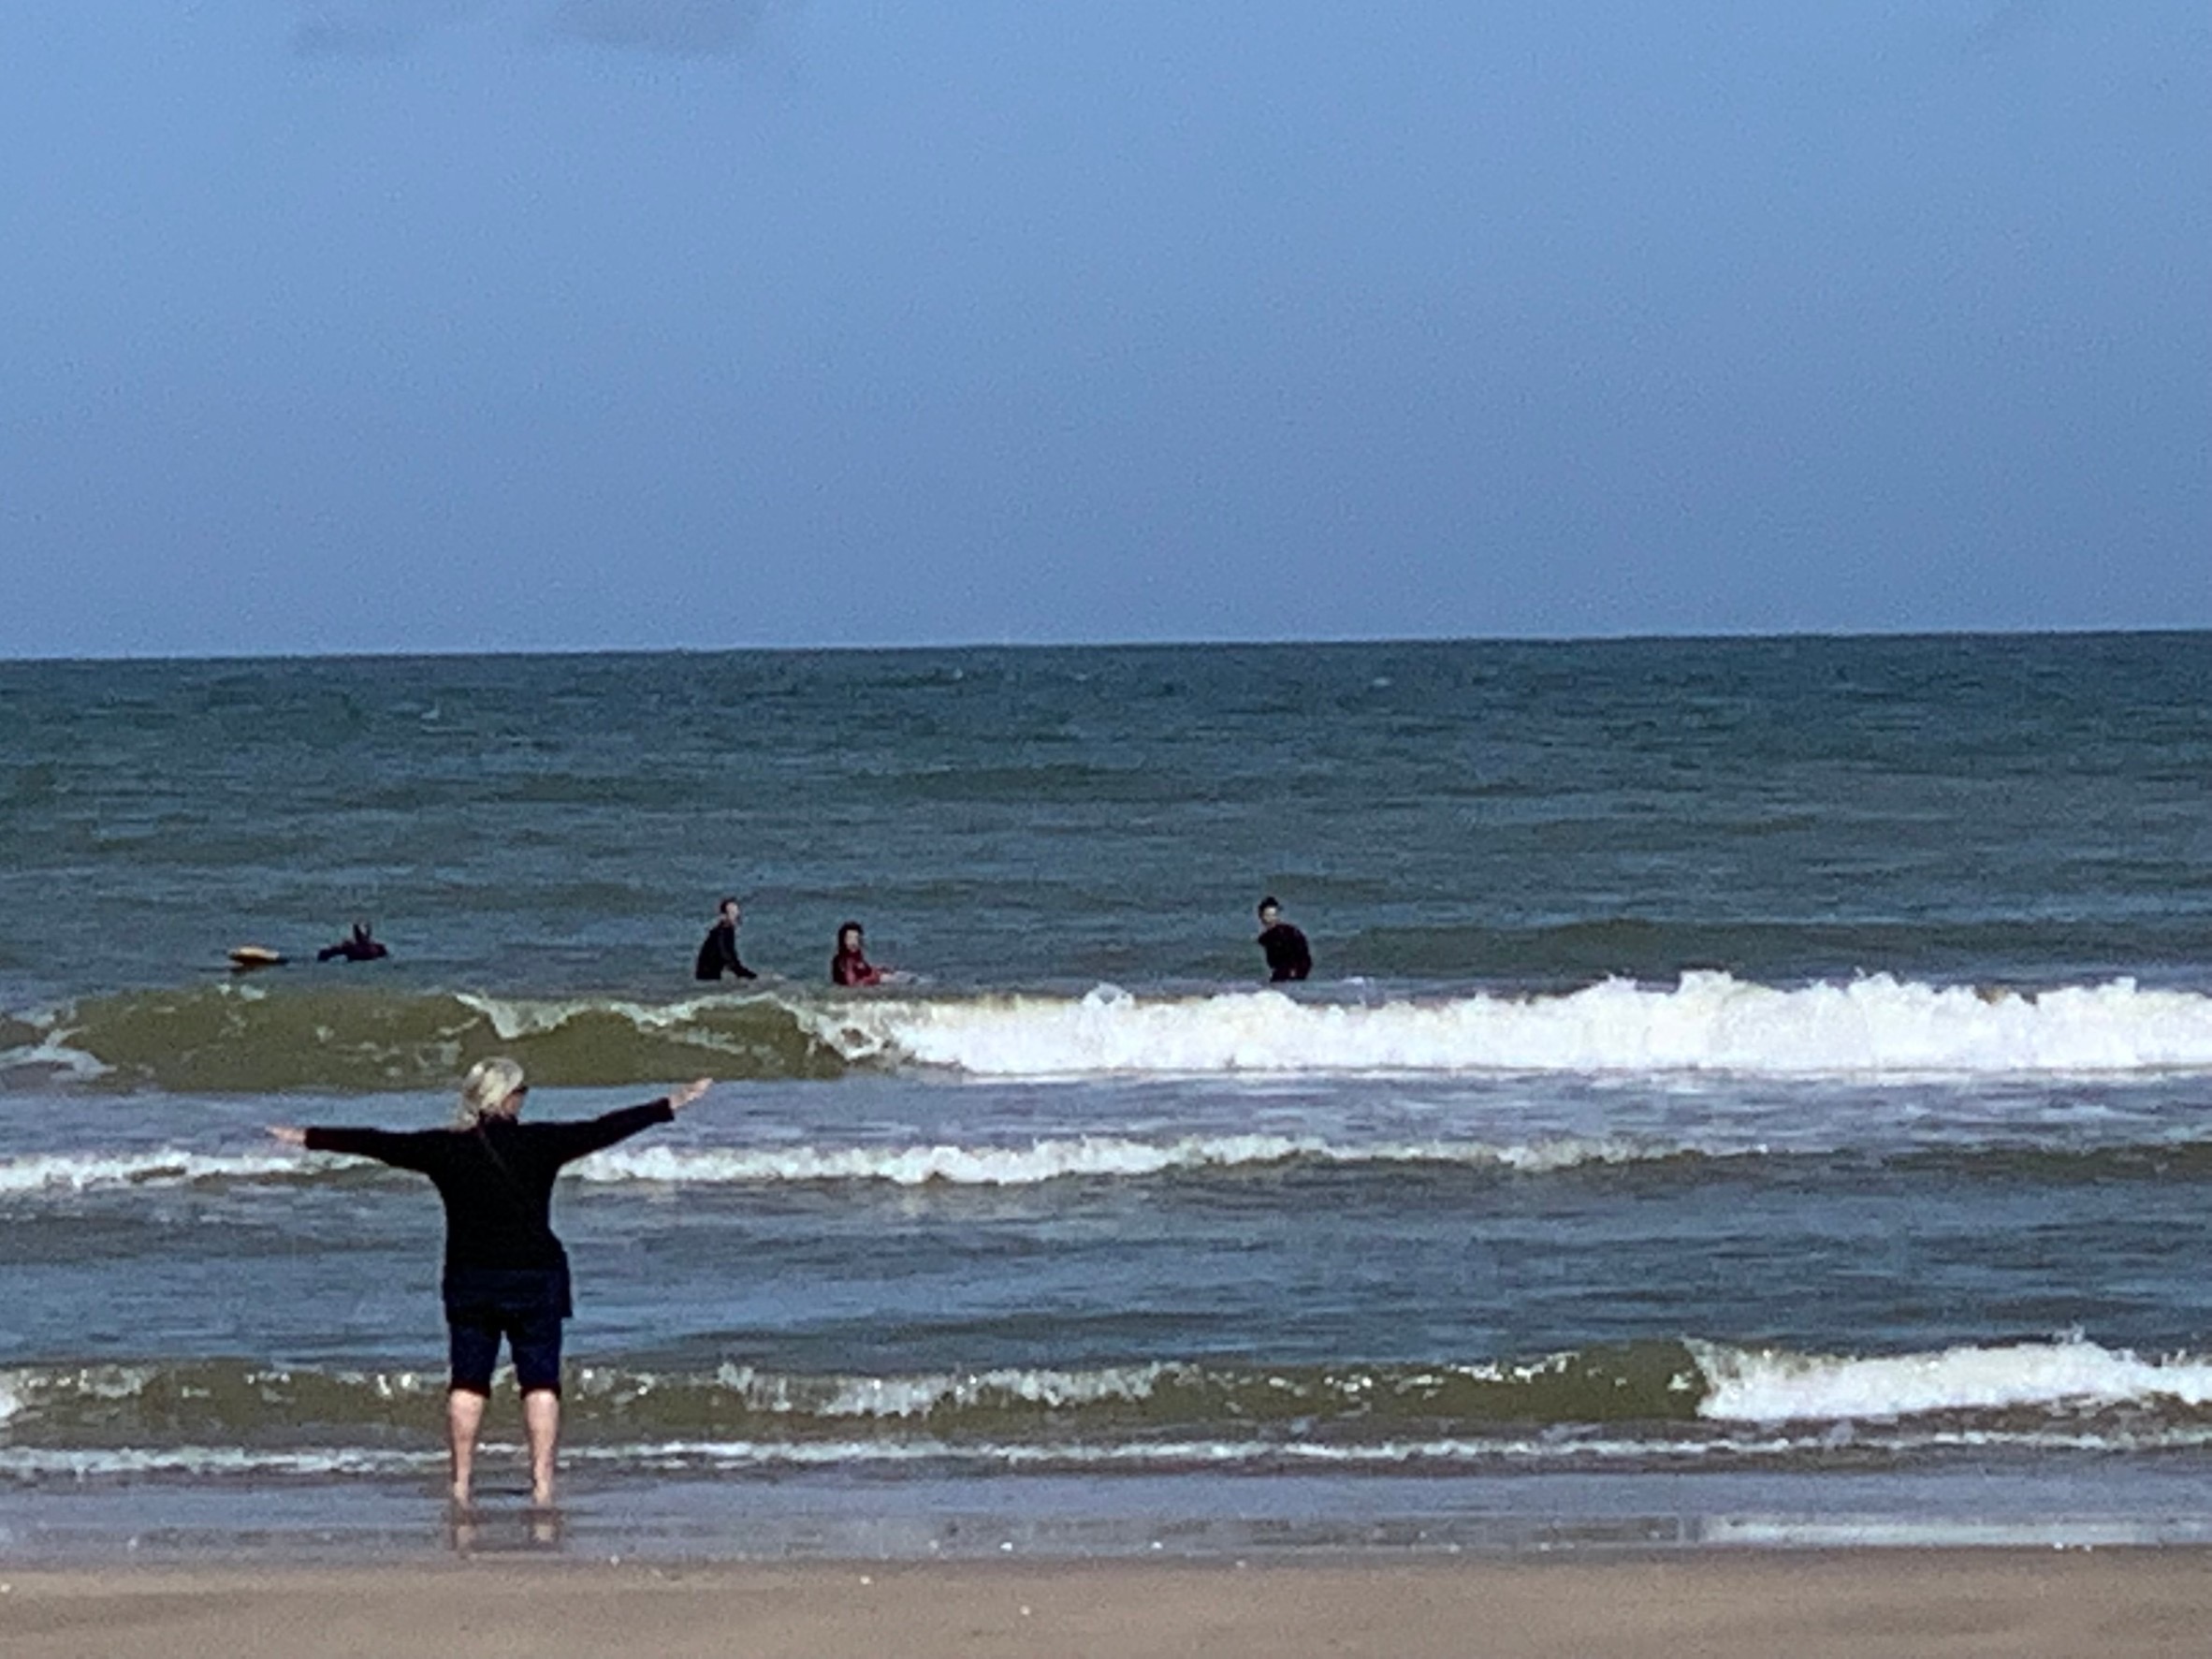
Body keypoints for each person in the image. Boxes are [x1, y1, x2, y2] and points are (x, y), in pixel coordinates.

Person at [268, 1058, 711, 1508]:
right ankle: (542, 1485)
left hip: (470, 1281)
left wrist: (308, 1136)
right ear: (507, 1096)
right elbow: (603, 1129)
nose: (525, 1099)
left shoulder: (445, 1148)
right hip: (535, 1279)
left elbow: (379, 1143)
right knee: (540, 1383)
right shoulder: (541, 1142)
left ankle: (460, 1484)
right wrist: (668, 1104)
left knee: (467, 1382)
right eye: (523, 1091)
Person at [693, 896, 757, 982]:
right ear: (724, 915)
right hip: (707, 980)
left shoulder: (722, 930)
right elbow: (726, 955)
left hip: (708, 977)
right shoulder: (723, 931)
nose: (736, 915)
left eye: (736, 911)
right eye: (732, 912)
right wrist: (746, 974)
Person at [1255, 895, 1312, 982]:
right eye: (1267, 916)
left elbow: (1302, 954)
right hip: (1286, 971)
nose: (1270, 920)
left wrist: (1293, 970)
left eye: (1273, 915)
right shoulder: (1265, 937)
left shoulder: (1288, 932)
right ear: (1261, 916)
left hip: (1291, 971)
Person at [831, 921, 883, 986]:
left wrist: (876, 970)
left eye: (856, 938)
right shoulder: (845, 960)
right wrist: (876, 978)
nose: (854, 943)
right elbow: (853, 984)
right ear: (843, 940)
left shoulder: (855, 956)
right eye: (849, 938)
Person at [317, 920, 389, 963]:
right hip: (363, 954)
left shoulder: (375, 948)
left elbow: (330, 952)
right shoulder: (376, 948)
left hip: (361, 954)